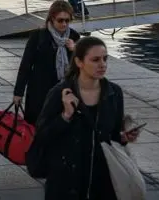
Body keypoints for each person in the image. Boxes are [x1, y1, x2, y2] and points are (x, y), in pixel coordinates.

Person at [32, 36, 140, 199]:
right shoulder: (60, 93)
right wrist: (65, 116)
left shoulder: (114, 93)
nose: (102, 64)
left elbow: (113, 135)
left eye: (105, 59)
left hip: (102, 179)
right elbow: (42, 135)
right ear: (79, 62)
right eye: (95, 60)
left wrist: (124, 137)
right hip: (66, 181)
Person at [13, 0, 81, 125]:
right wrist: (18, 92)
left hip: (63, 92)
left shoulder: (74, 37)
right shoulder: (39, 36)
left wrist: (74, 50)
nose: (64, 24)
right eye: (60, 20)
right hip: (39, 92)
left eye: (67, 20)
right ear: (52, 19)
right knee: (37, 129)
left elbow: (81, 66)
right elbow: (26, 65)